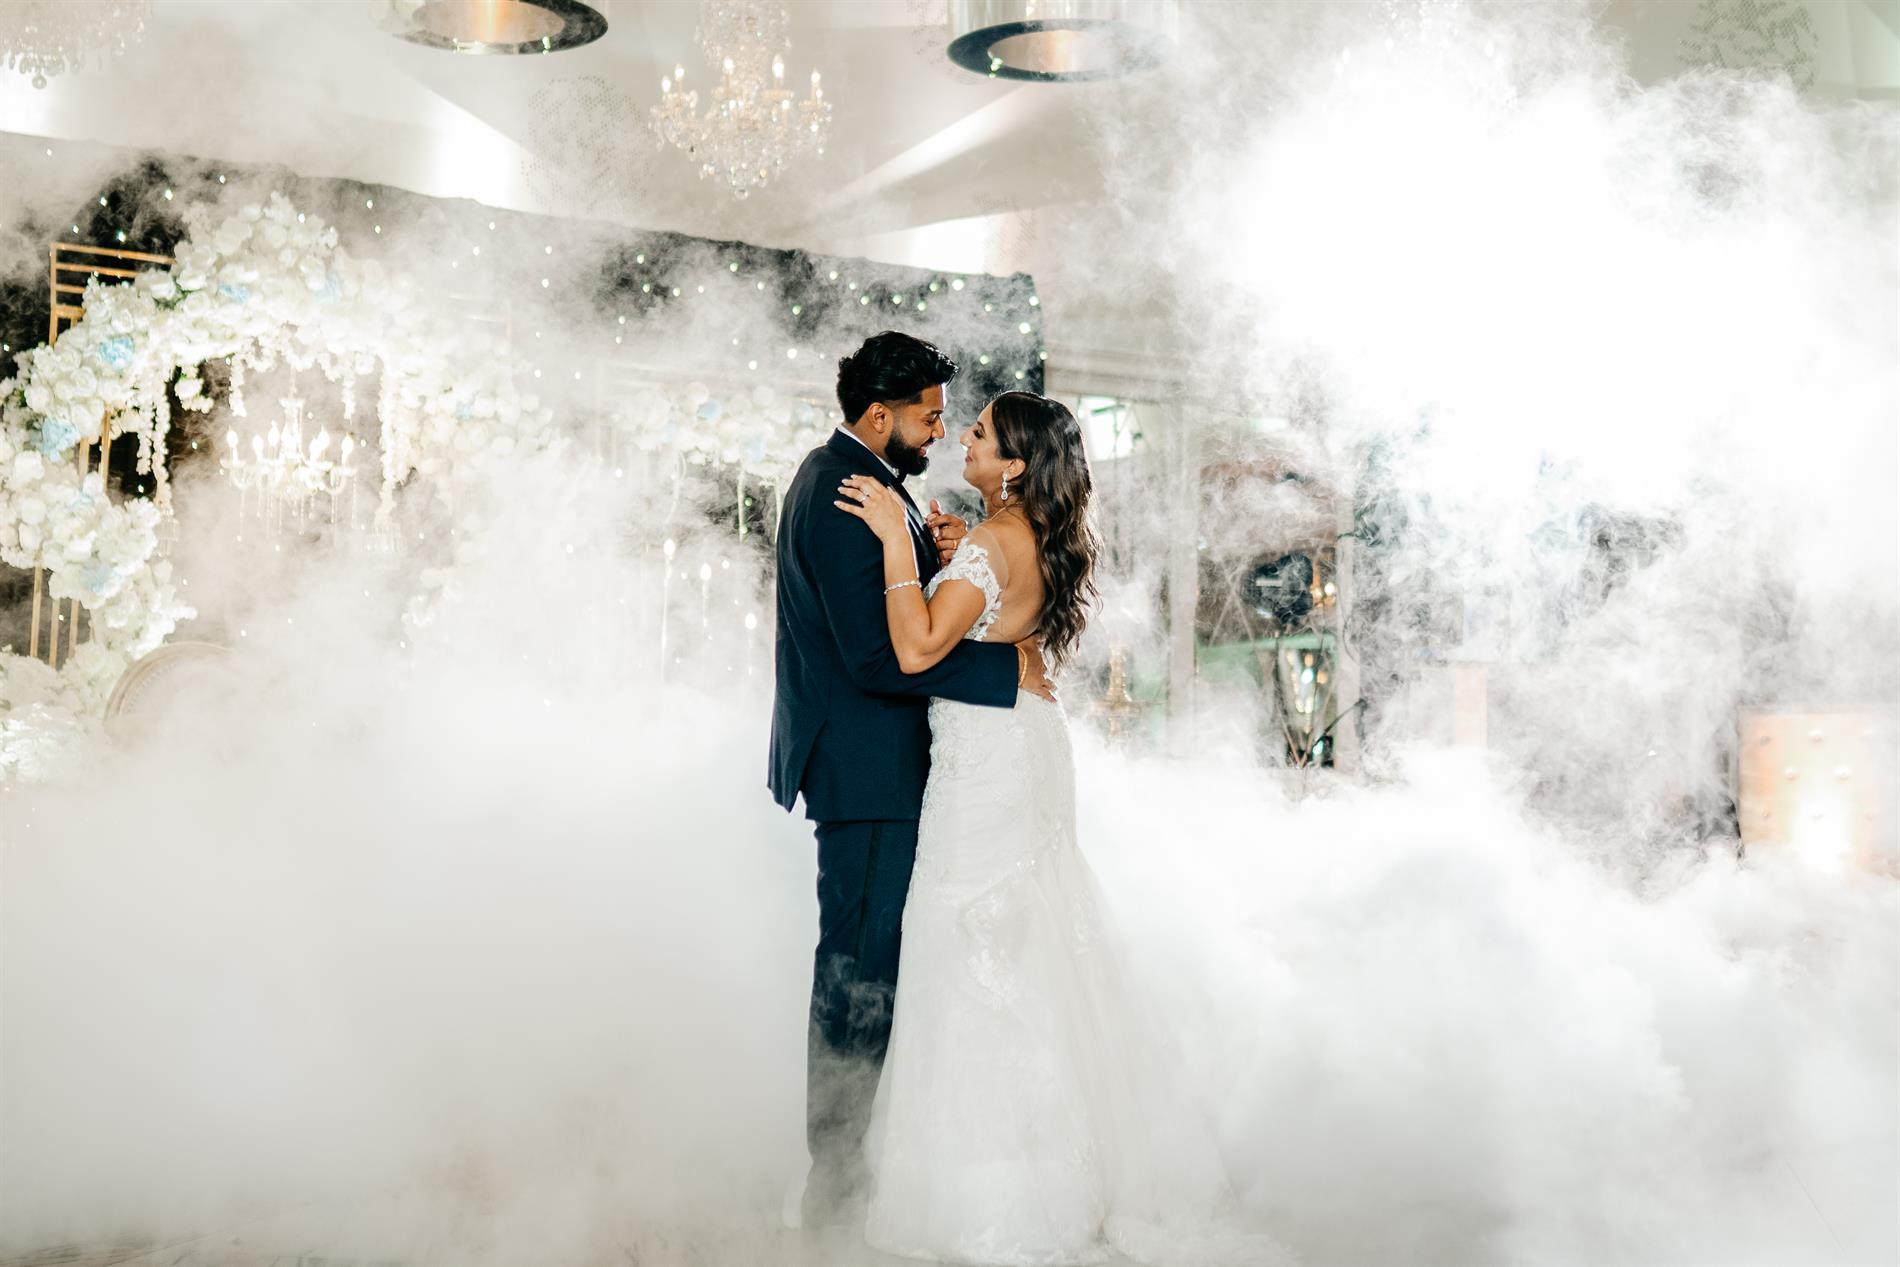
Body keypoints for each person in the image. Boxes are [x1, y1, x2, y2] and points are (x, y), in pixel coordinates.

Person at [834, 392, 1285, 1266]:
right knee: (1030, 934)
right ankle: (1070, 1170)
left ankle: (1000, 1194)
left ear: (1013, 464)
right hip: (1025, 744)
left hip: (989, 761)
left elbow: (918, 648)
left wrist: (895, 540)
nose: (965, 438)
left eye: (980, 433)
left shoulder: (994, 540)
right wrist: (949, 556)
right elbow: (996, 624)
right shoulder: (1022, 534)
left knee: (969, 936)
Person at [769, 333, 1055, 1229]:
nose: (939, 431)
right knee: (857, 975)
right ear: (877, 415)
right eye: (929, 417)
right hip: (868, 773)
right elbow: (877, 656)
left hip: (883, 769)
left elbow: (902, 617)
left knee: (878, 968)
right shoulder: (841, 493)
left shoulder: (863, 480)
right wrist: (1005, 671)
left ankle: (863, 1168)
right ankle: (834, 1187)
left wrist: (937, 561)